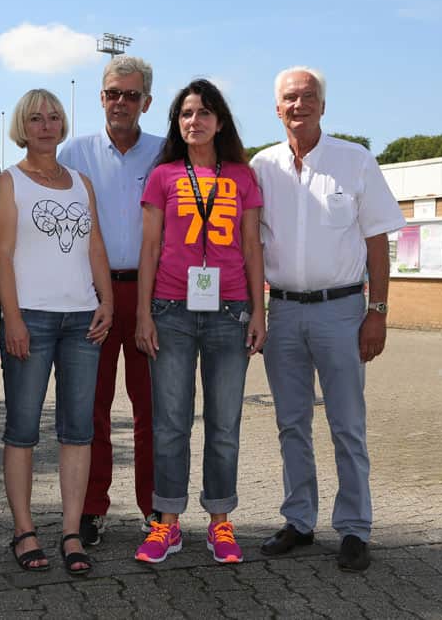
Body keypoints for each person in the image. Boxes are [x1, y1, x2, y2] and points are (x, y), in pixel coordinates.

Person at [253, 66, 404, 572]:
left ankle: (355, 528)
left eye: (309, 96)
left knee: (347, 425)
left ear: (323, 104)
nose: (300, 105)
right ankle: (299, 520)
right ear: (277, 109)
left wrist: (377, 312)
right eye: (290, 99)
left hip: (342, 312)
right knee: (290, 423)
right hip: (285, 313)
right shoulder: (261, 167)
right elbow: (251, 248)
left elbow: (378, 241)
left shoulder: (355, 160)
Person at [134, 79, 265, 565]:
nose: (195, 121)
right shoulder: (163, 175)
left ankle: (220, 522)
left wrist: (259, 313)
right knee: (170, 422)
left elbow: (253, 247)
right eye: (187, 113)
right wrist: (143, 313)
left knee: (224, 423)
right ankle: (165, 524)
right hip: (170, 311)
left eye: (205, 112)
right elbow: (149, 248)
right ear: (177, 122)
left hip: (230, 312)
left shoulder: (243, 177)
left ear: (221, 121)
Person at [0, 89, 113, 576]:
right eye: (36, 118)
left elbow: (95, 246)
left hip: (83, 321)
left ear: (63, 125)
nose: (46, 125)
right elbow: (2, 256)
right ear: (22, 126)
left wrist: (106, 301)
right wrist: (12, 318)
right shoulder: (9, 183)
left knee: (77, 431)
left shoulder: (81, 182)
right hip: (31, 320)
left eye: (54, 117)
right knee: (22, 431)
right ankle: (24, 529)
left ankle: (70, 530)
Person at [58, 55, 164, 545]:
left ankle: (155, 508)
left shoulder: (167, 155)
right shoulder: (72, 154)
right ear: (101, 98)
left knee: (153, 409)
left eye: (131, 94)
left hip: (150, 296)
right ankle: (91, 509)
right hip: (92, 296)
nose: (120, 102)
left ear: (147, 100)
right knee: (91, 407)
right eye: (112, 93)